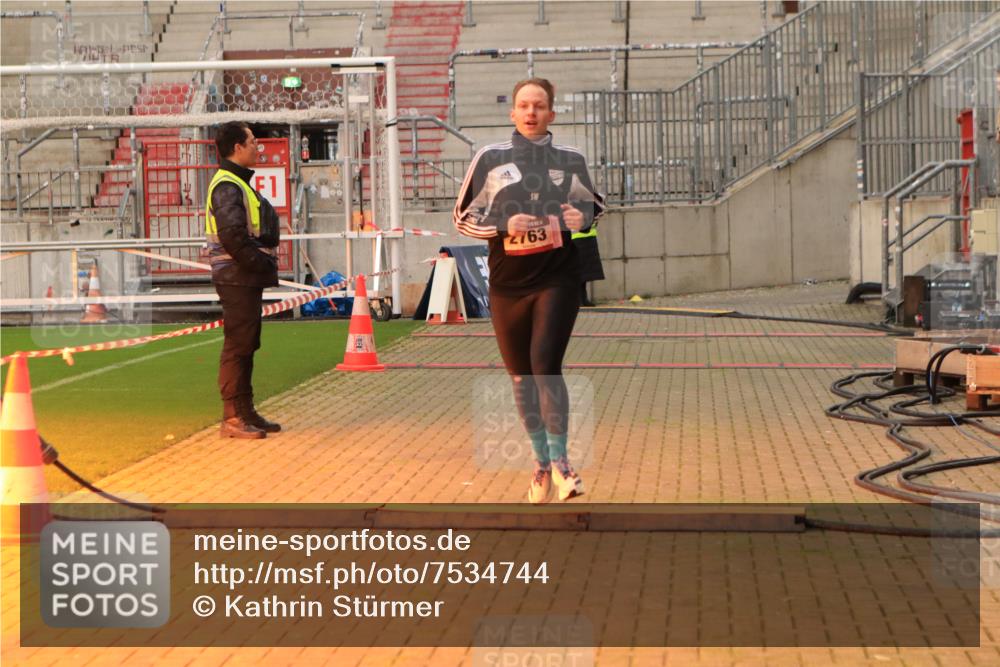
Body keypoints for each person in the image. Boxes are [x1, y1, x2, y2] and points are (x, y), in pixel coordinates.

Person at [453, 78, 605, 503]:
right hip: (507, 284)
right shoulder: (490, 158)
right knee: (521, 378)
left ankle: (562, 464)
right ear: (513, 113)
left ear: (551, 113)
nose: (531, 112)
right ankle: (541, 465)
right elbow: (462, 215)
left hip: (557, 278)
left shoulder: (569, 159)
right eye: (524, 105)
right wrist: (501, 227)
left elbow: (595, 205)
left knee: (545, 365)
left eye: (539, 106)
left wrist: (583, 217)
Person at [206, 121, 282, 439]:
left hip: (243, 276)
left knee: (247, 344)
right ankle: (233, 417)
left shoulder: (235, 183)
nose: (257, 146)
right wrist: (260, 263)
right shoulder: (227, 186)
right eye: (252, 141)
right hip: (237, 276)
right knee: (238, 346)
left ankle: (245, 411)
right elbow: (234, 237)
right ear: (237, 147)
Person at [572, 223, 603, 307]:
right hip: (576, 239)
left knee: (585, 272)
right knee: (579, 272)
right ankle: (579, 299)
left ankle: (583, 298)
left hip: (588, 238)